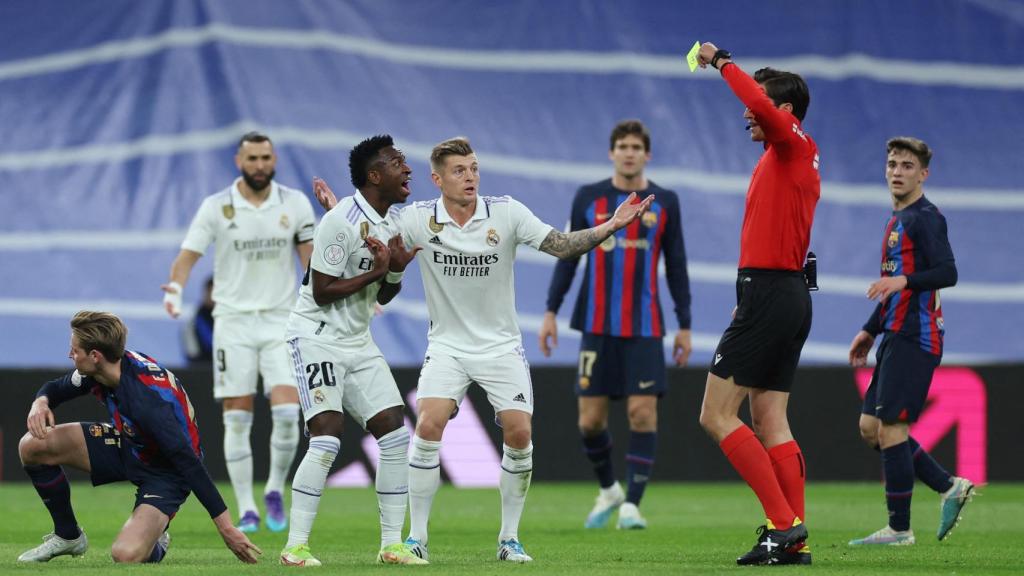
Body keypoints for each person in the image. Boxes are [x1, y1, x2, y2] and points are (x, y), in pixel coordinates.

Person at [694, 43, 819, 566]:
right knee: (771, 421)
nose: (749, 110)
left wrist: (721, 60)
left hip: (772, 293)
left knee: (715, 415)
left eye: (761, 102)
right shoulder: (786, 156)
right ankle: (796, 539)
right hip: (781, 293)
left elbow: (760, 105)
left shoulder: (791, 144)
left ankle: (784, 526)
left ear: (784, 112)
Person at [278, 135, 425, 567]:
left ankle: (391, 546)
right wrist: (379, 269)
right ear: (375, 175)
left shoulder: (388, 222)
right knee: (326, 436)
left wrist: (394, 272)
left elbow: (386, 293)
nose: (407, 169)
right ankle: (295, 548)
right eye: (398, 162)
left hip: (358, 341)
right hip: (316, 336)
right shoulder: (339, 220)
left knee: (396, 435)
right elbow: (322, 291)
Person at [539, 119, 693, 530]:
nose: (628, 152)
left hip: (645, 328)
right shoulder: (589, 198)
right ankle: (609, 490)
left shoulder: (666, 202)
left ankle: (632, 505)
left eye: (635, 147)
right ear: (611, 153)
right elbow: (568, 254)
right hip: (595, 324)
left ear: (647, 155)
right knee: (589, 422)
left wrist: (685, 324)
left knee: (642, 414)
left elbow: (676, 265)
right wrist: (551, 311)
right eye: (622, 145)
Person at [16, 311, 261, 564]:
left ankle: (156, 539)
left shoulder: (148, 402)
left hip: (167, 472)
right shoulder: (105, 367)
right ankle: (68, 536)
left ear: (95, 356)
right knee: (33, 445)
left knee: (125, 555)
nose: (71, 355)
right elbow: (57, 388)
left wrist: (227, 528)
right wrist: (40, 403)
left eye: (74, 350)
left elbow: (189, 463)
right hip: (130, 445)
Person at [161, 131, 315, 533]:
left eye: (266, 157)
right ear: (238, 162)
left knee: (286, 413)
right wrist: (175, 289)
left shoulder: (295, 203)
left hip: (282, 319)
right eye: (252, 159)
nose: (260, 165)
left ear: (274, 158)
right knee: (237, 418)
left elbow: (312, 265)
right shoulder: (217, 207)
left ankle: (275, 490)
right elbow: (187, 255)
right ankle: (246, 505)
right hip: (233, 323)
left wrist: (353, 296)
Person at [847, 137, 973, 546]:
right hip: (893, 333)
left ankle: (899, 529)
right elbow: (893, 288)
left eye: (906, 165)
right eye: (892, 164)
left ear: (923, 174)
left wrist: (904, 280)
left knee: (893, 427)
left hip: (916, 336)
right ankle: (948, 486)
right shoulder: (895, 220)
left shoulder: (926, 218)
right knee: (871, 429)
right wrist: (869, 329)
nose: (897, 171)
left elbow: (948, 272)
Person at [182, 276, 215, 365]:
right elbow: (192, 353)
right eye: (210, 292)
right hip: (200, 367)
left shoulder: (227, 318)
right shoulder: (196, 318)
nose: (213, 297)